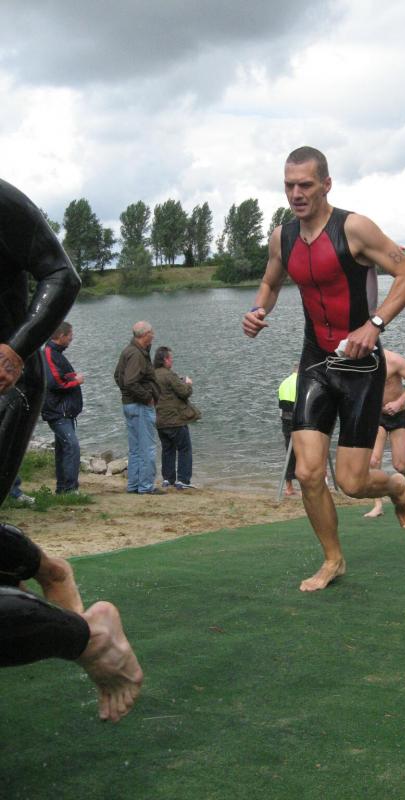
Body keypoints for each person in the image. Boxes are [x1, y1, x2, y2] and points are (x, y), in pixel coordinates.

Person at [242, 146, 405, 591]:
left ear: (326, 184)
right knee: (307, 473)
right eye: (289, 185)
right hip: (316, 362)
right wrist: (259, 309)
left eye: (305, 184)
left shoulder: (354, 228)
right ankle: (333, 559)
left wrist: (374, 325)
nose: (296, 194)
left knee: (352, 483)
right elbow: (270, 281)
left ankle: (395, 486)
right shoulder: (282, 237)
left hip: (361, 370)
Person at [0, 177, 142, 721]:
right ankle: (44, 568)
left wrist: (17, 348)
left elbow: (61, 274)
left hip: (6, 385)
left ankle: (92, 638)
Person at [364, 350, 405, 518]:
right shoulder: (359, 362)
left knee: (400, 466)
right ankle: (378, 505)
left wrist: (399, 402)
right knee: (373, 461)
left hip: (399, 415)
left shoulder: (393, 360)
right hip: (377, 415)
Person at [114, 321, 162, 495]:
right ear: (145, 335)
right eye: (151, 333)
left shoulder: (129, 350)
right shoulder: (136, 354)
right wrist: (147, 397)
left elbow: (118, 376)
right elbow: (130, 381)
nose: (153, 335)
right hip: (140, 406)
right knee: (147, 447)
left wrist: (127, 395)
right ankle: (146, 486)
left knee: (135, 448)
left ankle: (134, 484)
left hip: (130, 405)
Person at [41, 321, 84, 494]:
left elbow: (59, 377)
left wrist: (71, 377)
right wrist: (76, 381)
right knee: (72, 447)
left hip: (64, 411)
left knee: (63, 448)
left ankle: (62, 488)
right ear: (61, 336)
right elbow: (54, 382)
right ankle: (70, 489)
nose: (71, 338)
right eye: (70, 335)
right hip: (58, 411)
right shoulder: (49, 353)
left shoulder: (55, 353)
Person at [153, 345, 200, 490]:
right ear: (165, 360)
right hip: (175, 421)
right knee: (184, 449)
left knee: (167, 450)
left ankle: (168, 479)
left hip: (160, 421)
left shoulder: (153, 375)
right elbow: (184, 392)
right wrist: (188, 383)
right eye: (170, 358)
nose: (172, 360)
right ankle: (183, 480)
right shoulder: (169, 375)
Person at [278, 365, 298, 496]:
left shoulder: (284, 383)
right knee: (304, 452)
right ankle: (307, 485)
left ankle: (289, 488)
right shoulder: (302, 381)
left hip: (285, 419)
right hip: (299, 420)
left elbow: (280, 404)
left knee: (289, 452)